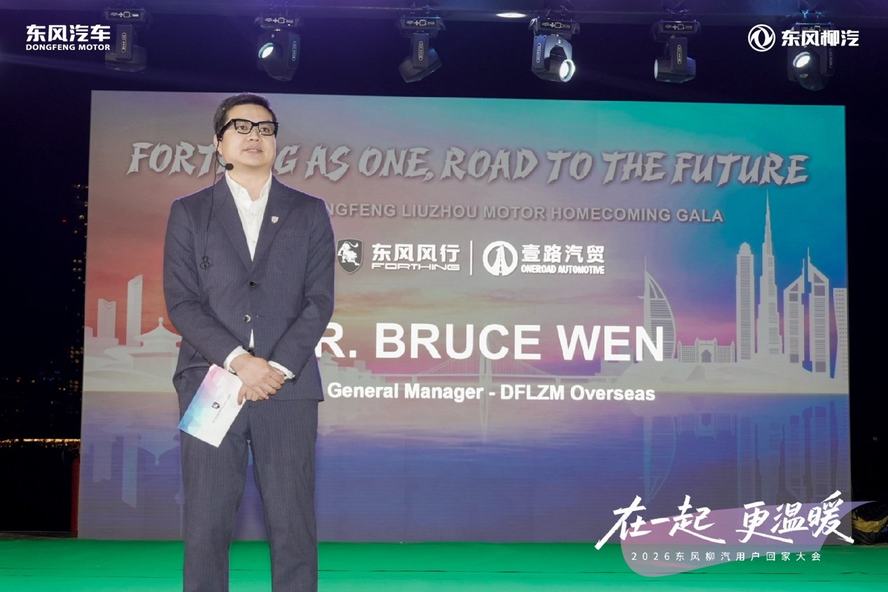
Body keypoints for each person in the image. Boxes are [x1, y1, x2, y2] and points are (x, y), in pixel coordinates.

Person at [163, 93, 335, 592]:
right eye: (240, 127)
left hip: (288, 386)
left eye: (264, 128)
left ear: (276, 141)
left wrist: (274, 368)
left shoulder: (308, 211)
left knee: (293, 522)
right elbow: (182, 303)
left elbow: (319, 301)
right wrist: (241, 362)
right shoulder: (190, 212)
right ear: (219, 144)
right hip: (209, 382)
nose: (254, 136)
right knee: (206, 521)